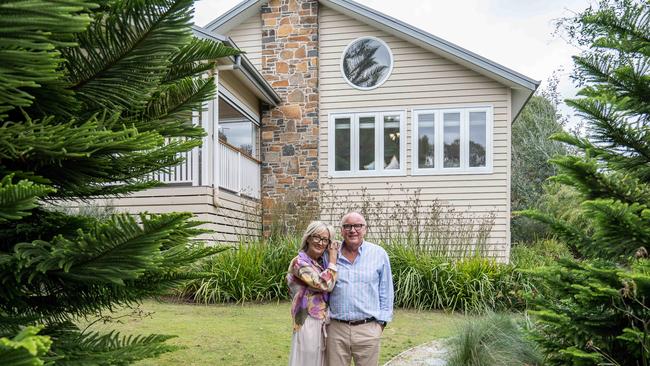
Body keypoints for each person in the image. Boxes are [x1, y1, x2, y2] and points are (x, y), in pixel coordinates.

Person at [326, 212, 394, 366]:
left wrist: (380, 324)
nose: (352, 230)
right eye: (347, 226)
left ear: (365, 229)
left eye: (358, 225)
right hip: (336, 329)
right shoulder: (330, 254)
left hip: (368, 329)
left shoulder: (379, 254)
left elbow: (386, 290)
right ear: (342, 230)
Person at [287, 221, 341, 366]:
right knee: (307, 360)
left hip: (322, 320)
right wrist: (333, 259)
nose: (320, 243)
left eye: (325, 240)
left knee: (320, 360)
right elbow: (324, 284)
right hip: (307, 320)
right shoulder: (299, 262)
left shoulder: (318, 263)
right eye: (317, 237)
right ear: (308, 238)